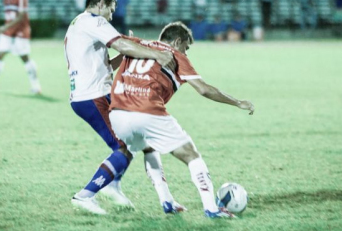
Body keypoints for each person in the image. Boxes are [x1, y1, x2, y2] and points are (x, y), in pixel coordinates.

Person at [78, 21, 254, 217]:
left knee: (148, 147)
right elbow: (204, 89)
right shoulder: (176, 56)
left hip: (118, 114)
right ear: (177, 41)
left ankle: (166, 201)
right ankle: (212, 209)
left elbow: (111, 54)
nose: (185, 53)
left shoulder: (135, 45)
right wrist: (237, 102)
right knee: (191, 155)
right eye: (186, 48)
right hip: (147, 112)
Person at [65, 0, 185, 214]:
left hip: (90, 93)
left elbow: (105, 65)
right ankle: (85, 195)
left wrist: (124, 53)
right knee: (123, 147)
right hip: (93, 96)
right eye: (110, 10)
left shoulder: (77, 25)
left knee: (134, 136)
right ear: (100, 4)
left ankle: (114, 185)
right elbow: (120, 43)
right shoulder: (94, 21)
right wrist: (157, 53)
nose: (111, 16)